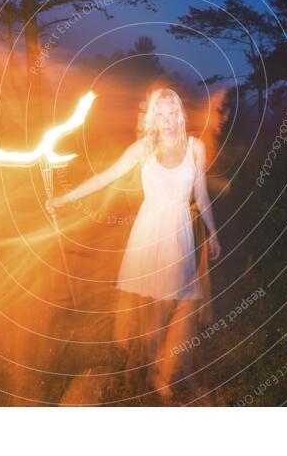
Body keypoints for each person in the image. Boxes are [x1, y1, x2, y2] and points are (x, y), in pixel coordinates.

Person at [47, 87, 221, 401]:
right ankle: (154, 369)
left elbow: (202, 194)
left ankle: (172, 364)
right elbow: (105, 177)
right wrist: (64, 198)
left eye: (171, 114)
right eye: (160, 114)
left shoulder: (195, 148)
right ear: (152, 118)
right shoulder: (143, 149)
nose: (167, 121)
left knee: (182, 301)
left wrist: (212, 232)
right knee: (155, 305)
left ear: (179, 115)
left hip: (179, 230)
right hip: (149, 231)